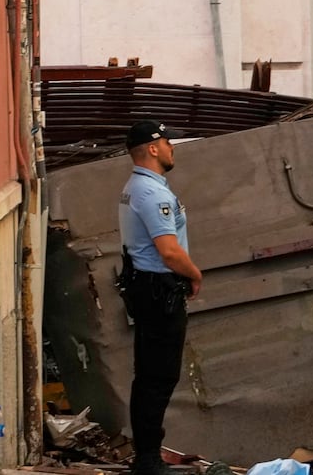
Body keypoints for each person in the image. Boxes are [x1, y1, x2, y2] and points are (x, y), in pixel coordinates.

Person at [118, 120, 204, 475]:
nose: (173, 148)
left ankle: (147, 455)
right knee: (159, 376)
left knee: (150, 375)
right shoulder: (152, 194)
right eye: (169, 142)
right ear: (153, 148)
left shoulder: (138, 188)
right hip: (159, 289)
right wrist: (195, 274)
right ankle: (149, 460)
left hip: (148, 286)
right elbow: (168, 251)